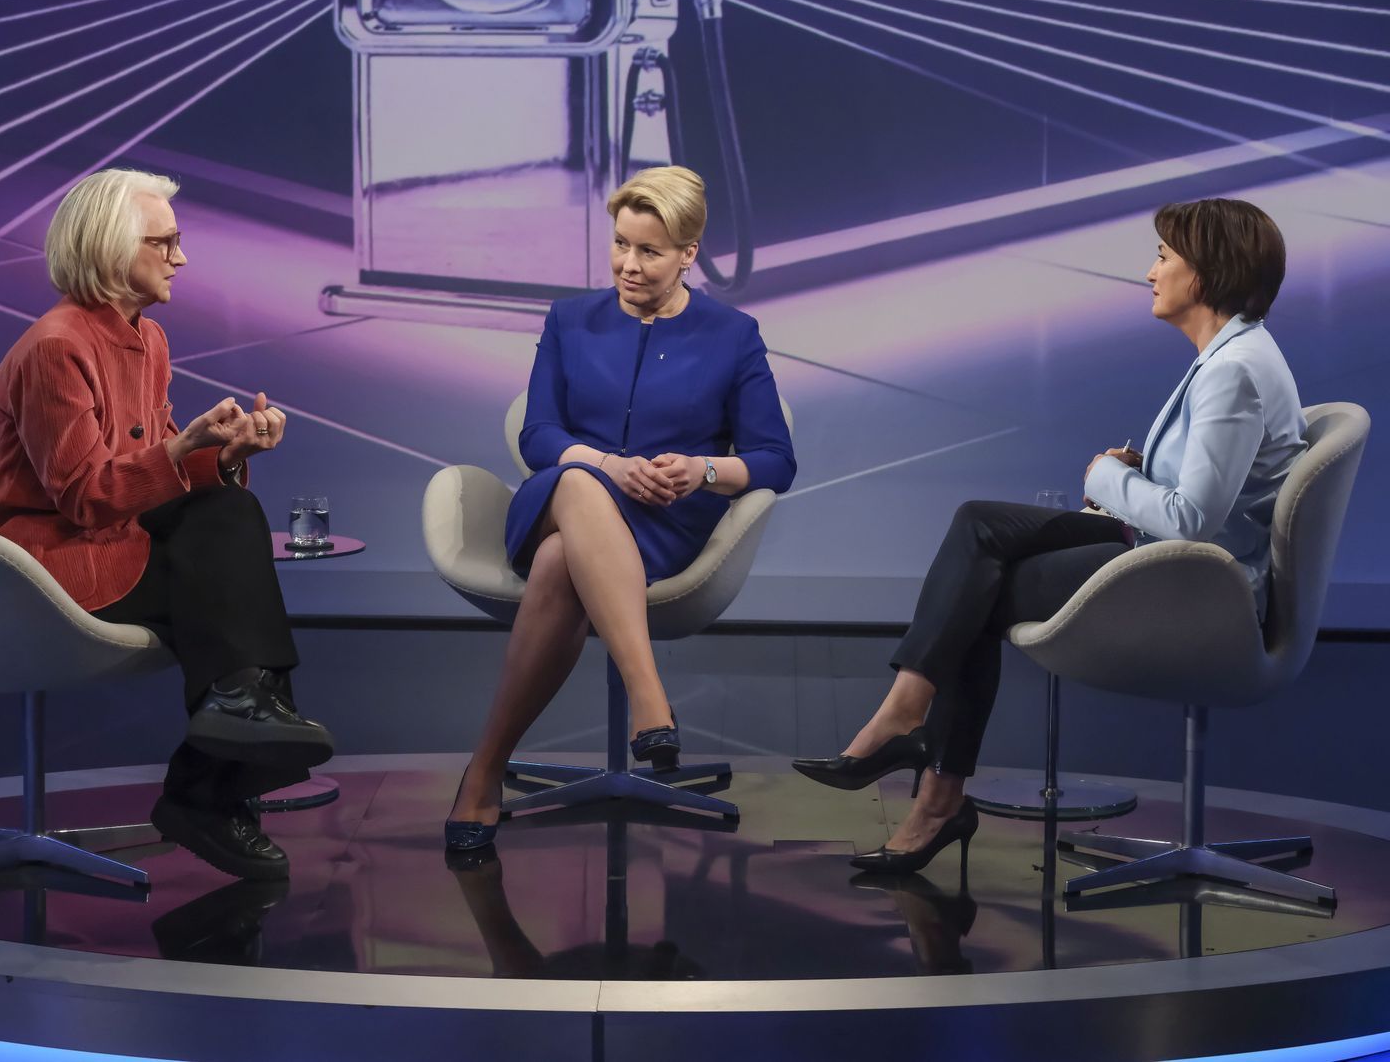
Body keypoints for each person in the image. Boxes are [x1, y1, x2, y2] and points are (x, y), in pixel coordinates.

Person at [794, 198, 1305, 875]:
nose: (1149, 272)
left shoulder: (1234, 370)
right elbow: (1211, 491)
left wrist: (1104, 474)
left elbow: (1191, 520)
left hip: (1193, 587)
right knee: (979, 523)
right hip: (1164, 558)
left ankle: (928, 775)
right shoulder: (1235, 355)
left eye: (1162, 256)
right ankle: (914, 736)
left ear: (1205, 274)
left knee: (978, 588)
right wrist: (1136, 471)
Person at [0, 168, 334, 881]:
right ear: (108, 247)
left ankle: (238, 715)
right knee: (221, 546)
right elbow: (82, 496)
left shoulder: (149, 339)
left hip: (106, 536)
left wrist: (221, 452)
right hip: (39, 564)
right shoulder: (54, 347)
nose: (180, 258)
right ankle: (214, 770)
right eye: (164, 243)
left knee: (228, 505)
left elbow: (151, 481)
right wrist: (178, 447)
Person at [444, 165, 796, 851]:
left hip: (664, 524)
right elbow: (538, 434)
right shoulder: (570, 319)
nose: (628, 264)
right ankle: (649, 698)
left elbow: (775, 459)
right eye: (620, 244)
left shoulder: (733, 335)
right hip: (559, 497)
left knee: (557, 565)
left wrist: (702, 469)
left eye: (649, 250)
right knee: (578, 486)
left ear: (689, 254)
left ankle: (483, 772)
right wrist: (607, 465)